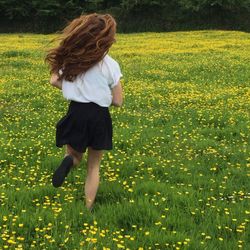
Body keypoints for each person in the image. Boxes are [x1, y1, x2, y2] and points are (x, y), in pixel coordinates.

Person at [44, 13, 123, 212]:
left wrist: (74, 89)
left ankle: (69, 161)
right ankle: (88, 208)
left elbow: (54, 81)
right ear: (106, 39)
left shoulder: (72, 60)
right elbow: (118, 101)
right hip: (99, 116)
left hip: (76, 112)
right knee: (93, 166)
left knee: (74, 154)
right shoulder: (110, 64)